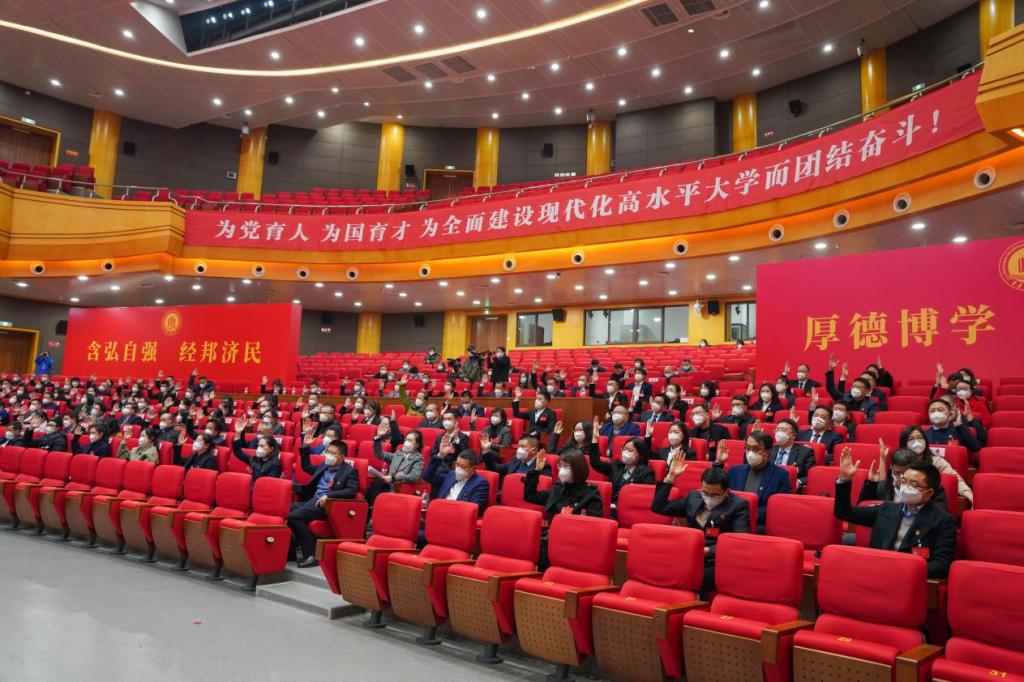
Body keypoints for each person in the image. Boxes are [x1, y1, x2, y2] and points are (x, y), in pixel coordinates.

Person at [834, 448, 956, 578]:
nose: (905, 487)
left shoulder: (942, 520)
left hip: (907, 579)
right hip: (874, 574)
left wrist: (901, 571)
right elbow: (844, 513)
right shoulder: (886, 509)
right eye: (903, 481)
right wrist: (844, 480)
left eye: (913, 484)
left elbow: (941, 565)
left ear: (929, 492)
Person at [652, 460, 750, 595]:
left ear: (726, 491)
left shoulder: (738, 505)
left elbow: (740, 541)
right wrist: (670, 477)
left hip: (715, 559)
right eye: (705, 492)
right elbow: (659, 507)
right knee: (660, 569)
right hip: (689, 553)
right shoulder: (694, 497)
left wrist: (709, 550)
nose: (709, 498)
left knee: (692, 577)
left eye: (715, 495)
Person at [288, 438, 359, 568]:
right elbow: (306, 467)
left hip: (327, 505)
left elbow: (351, 491)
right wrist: (305, 447)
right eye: (328, 451)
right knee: (284, 509)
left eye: (333, 453)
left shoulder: (349, 471)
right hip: (313, 500)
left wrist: (329, 496)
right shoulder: (324, 465)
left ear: (341, 457)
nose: (329, 455)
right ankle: (290, 552)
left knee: (294, 517)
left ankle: (311, 554)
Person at [722, 432, 791, 532]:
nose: (750, 453)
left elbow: (779, 507)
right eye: (748, 448)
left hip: (758, 525)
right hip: (730, 523)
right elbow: (719, 494)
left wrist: (747, 514)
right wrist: (719, 463)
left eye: (756, 449)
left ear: (768, 452)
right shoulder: (734, 471)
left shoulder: (780, 475)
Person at [858, 445, 948, 508]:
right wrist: (871, 484)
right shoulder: (882, 485)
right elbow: (862, 509)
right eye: (897, 472)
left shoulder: (930, 487)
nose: (902, 476)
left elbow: (938, 516)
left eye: (906, 472)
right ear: (891, 467)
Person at [901, 425, 973, 503]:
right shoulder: (899, 462)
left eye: (920, 438)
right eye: (911, 439)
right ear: (904, 444)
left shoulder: (936, 461)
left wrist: (970, 496)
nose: (917, 442)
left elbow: (955, 479)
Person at [523, 448, 602, 517]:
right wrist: (537, 471)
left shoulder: (591, 494)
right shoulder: (558, 487)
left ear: (578, 469)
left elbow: (592, 524)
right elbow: (530, 497)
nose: (562, 470)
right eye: (560, 466)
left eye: (566, 466)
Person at [588, 436, 654, 505]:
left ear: (640, 455)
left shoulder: (646, 473)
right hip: (610, 504)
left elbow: (643, 497)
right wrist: (594, 439)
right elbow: (596, 463)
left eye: (630, 450)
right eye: (624, 449)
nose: (625, 453)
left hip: (628, 506)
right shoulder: (616, 466)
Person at [366, 428, 424, 505]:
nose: (406, 442)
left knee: (378, 486)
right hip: (388, 485)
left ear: (417, 445)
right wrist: (378, 437)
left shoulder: (418, 459)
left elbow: (414, 477)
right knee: (372, 487)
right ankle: (371, 507)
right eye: (406, 440)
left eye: (410, 440)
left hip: (400, 488)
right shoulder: (399, 453)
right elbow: (379, 454)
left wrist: (394, 478)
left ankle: (373, 508)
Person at [423, 449, 489, 514]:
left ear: (473, 469)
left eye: (463, 467)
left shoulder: (480, 484)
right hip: (439, 511)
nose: (459, 469)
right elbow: (427, 477)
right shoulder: (452, 475)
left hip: (457, 515)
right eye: (457, 465)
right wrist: (440, 455)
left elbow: (474, 508)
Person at [824, 355, 878, 422]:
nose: (855, 389)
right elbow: (831, 388)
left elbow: (871, 419)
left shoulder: (871, 404)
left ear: (866, 391)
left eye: (859, 387)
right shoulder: (845, 397)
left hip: (859, 426)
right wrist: (830, 370)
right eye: (854, 386)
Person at [231, 421, 282, 489]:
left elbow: (269, 484)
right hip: (253, 489)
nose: (259, 448)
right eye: (258, 446)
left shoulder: (275, 464)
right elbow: (238, 452)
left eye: (262, 446)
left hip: (264, 491)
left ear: (271, 449)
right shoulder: (255, 459)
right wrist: (238, 433)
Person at [770, 418, 815, 488]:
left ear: (793, 435)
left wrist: (799, 482)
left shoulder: (805, 452)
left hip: (790, 487)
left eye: (783, 430)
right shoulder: (769, 450)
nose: (779, 433)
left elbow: (810, 475)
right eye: (777, 430)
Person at [485, 433, 550, 477]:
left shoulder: (543, 466)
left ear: (533, 450)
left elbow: (542, 487)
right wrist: (486, 451)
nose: (519, 449)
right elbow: (494, 468)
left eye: (523, 446)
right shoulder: (515, 460)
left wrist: (538, 470)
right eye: (518, 446)